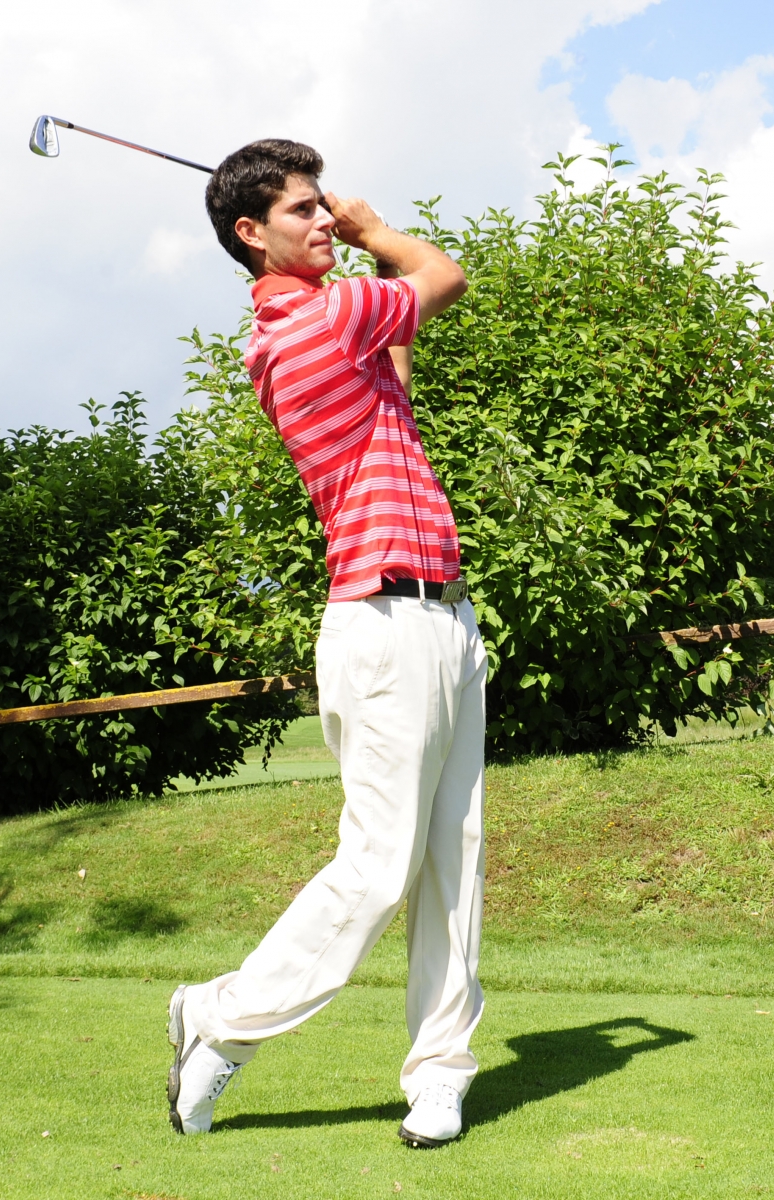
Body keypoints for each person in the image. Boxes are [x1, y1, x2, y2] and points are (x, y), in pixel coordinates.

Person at [168, 139, 482, 1148]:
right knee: (380, 866)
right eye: (302, 211)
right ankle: (220, 1021)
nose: (321, 222)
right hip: (383, 625)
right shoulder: (307, 327)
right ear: (251, 236)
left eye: (322, 207)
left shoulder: (342, 329)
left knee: (450, 863)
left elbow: (400, 363)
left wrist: (352, 246)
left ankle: (440, 1073)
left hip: (446, 618)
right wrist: (373, 231)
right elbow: (443, 277)